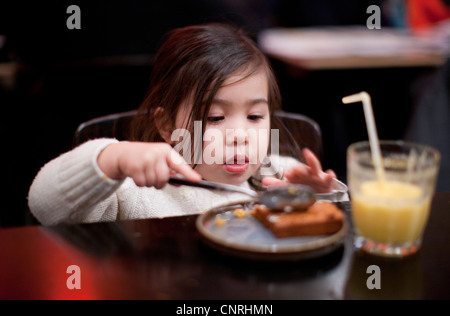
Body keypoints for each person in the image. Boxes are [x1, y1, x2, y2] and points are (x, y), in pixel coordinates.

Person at [28, 23, 338, 225]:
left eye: (255, 116)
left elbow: (340, 230)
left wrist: (325, 199)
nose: (240, 136)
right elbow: (43, 205)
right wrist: (114, 158)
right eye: (215, 118)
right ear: (166, 126)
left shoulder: (281, 175)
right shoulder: (136, 193)